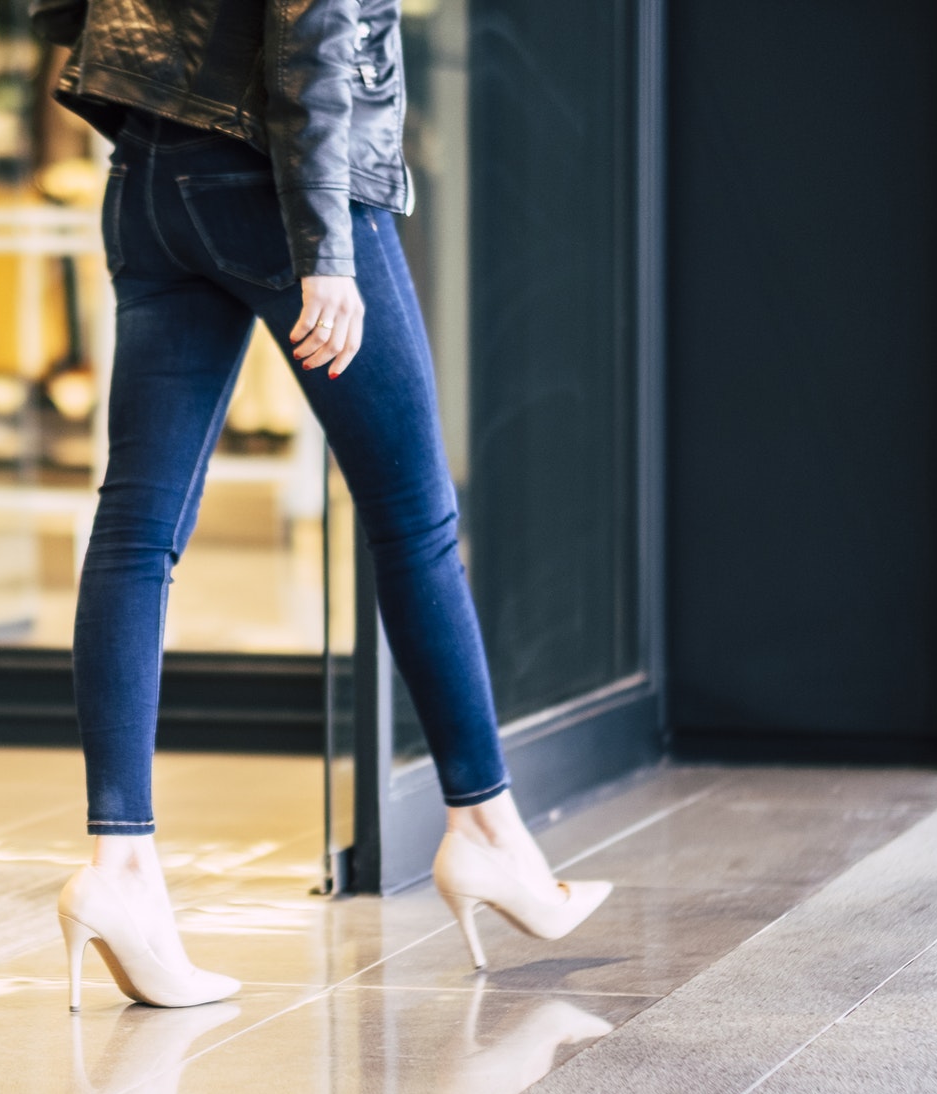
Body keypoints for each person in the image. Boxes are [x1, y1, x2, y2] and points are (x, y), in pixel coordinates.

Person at [39, 0, 612, 1011]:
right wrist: (327, 252)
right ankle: (484, 832)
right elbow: (310, 29)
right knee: (414, 519)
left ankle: (118, 868)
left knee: (134, 525)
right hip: (277, 177)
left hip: (148, 176)